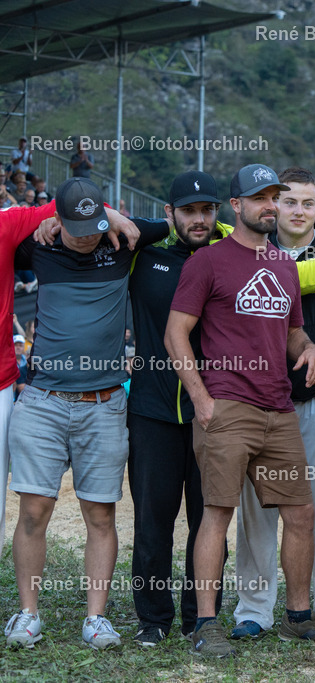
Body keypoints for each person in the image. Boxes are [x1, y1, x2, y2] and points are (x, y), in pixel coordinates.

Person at [165, 163, 315, 658]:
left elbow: (291, 329)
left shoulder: (283, 265)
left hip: (278, 406)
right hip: (228, 405)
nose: (270, 206)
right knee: (217, 514)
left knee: (302, 512)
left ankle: (297, 616)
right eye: (261, 198)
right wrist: (201, 397)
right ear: (238, 206)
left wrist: (308, 348)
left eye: (276, 196)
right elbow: (175, 334)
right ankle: (207, 624)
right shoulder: (207, 262)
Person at [4, 178, 166, 650]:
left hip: (105, 403)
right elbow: (10, 232)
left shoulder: (119, 240)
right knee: (35, 510)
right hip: (41, 401)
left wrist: (115, 218)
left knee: (100, 513)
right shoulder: (38, 247)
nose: (86, 236)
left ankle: (95, 619)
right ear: (59, 219)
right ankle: (27, 613)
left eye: (94, 226)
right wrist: (50, 220)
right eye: (77, 227)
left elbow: (171, 223)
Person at [231, 167, 315, 641]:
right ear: (273, 206)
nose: (298, 211)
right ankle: (254, 610)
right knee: (257, 509)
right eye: (289, 203)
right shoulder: (251, 252)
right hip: (260, 402)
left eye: (307, 203)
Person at [126, 170, 229, 646]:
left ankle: (199, 617)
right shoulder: (144, 257)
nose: (199, 219)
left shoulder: (230, 257)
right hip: (151, 411)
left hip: (213, 413)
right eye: (188, 211)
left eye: (208, 210)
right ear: (170, 213)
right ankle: (153, 619)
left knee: (208, 519)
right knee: (152, 520)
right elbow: (113, 226)